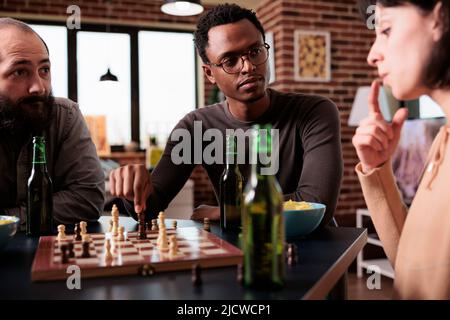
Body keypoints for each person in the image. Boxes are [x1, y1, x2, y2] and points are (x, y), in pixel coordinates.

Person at [109, 4, 343, 227]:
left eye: (255, 51)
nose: (248, 66)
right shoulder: (195, 128)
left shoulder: (315, 112)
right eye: (230, 60)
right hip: (237, 250)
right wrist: (134, 190)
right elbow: (151, 207)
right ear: (209, 73)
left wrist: (227, 214)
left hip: (311, 248)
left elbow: (316, 204)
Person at [353, 0, 450, 299]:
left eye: (386, 29)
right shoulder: (443, 140)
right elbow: (414, 269)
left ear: (440, 17)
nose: (372, 55)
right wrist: (377, 170)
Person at [0, 18, 105, 225]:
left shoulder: (65, 116)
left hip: (53, 254)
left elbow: (88, 200)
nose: (38, 87)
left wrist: (7, 218)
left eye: (44, 70)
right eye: (20, 72)